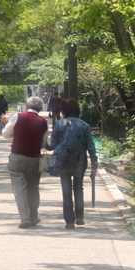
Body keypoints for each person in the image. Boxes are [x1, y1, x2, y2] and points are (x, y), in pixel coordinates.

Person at [46, 97, 98, 228]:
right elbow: (90, 146)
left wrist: (43, 143)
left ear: (63, 111)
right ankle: (79, 216)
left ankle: (69, 220)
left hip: (63, 160)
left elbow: (52, 145)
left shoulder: (59, 124)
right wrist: (94, 162)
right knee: (78, 187)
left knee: (66, 189)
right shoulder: (85, 125)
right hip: (79, 159)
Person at [2, 95, 48, 228]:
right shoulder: (43, 122)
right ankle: (34, 216)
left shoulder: (18, 116)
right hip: (34, 158)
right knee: (33, 186)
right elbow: (44, 144)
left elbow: (5, 134)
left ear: (27, 106)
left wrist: (14, 134)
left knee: (20, 188)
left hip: (17, 157)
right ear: (40, 108)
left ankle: (25, 218)